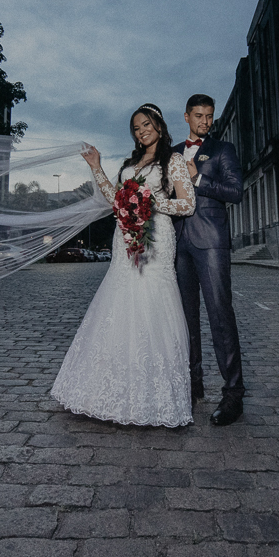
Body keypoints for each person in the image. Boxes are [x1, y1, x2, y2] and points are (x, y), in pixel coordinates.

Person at [50, 103, 196, 427]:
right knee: (119, 304)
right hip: (124, 239)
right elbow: (114, 199)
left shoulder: (173, 160)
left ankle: (155, 400)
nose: (141, 130)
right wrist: (96, 166)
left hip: (156, 238)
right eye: (136, 127)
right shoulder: (130, 163)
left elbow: (188, 203)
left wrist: (153, 202)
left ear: (158, 124)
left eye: (146, 124)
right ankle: (105, 393)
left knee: (153, 305)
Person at [173, 93, 245, 426]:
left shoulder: (223, 150)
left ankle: (233, 395)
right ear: (186, 116)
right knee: (184, 318)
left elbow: (236, 192)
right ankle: (193, 384)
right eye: (198, 116)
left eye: (209, 116)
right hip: (179, 243)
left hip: (211, 241)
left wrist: (198, 178)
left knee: (220, 315)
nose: (205, 122)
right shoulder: (172, 153)